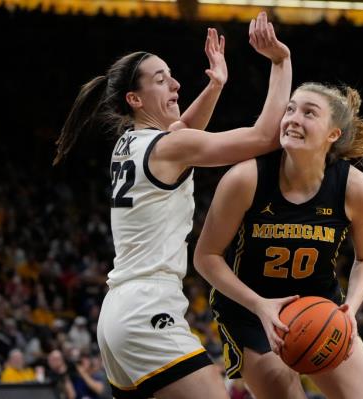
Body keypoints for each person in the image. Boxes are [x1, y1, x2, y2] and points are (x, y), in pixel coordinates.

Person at [52, 12, 292, 399]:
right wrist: (281, 62)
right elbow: (265, 136)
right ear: (135, 98)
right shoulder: (167, 147)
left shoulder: (128, 144)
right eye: (161, 80)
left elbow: (181, 132)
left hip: (118, 315)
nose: (177, 83)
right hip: (147, 308)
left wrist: (214, 86)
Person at [194, 82, 363, 399]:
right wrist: (260, 306)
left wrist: (350, 309)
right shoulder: (245, 178)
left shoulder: (357, 189)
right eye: (290, 109)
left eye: (308, 113)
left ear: (333, 135)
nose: (292, 118)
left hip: (319, 308)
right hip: (251, 314)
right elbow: (205, 257)